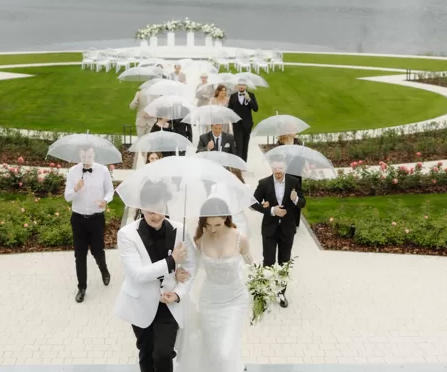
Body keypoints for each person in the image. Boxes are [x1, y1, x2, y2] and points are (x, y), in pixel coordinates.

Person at [115, 181, 196, 372]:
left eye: (159, 209)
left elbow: (191, 265)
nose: (156, 215)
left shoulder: (181, 230)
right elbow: (138, 274)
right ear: (141, 208)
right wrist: (172, 262)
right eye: (150, 210)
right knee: (146, 351)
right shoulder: (126, 234)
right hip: (140, 303)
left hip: (169, 303)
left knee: (163, 353)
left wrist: (178, 293)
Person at [175, 197, 253, 372]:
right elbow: (192, 266)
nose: (212, 229)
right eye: (208, 225)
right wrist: (179, 271)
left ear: (225, 218)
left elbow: (250, 264)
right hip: (209, 301)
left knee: (226, 349)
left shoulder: (240, 239)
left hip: (235, 300)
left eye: (217, 225)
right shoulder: (200, 239)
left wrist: (264, 281)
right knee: (213, 347)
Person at [250, 159, 306, 308]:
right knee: (268, 261)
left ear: (285, 169)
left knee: (284, 262)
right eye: (275, 169)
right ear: (272, 169)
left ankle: (281, 293)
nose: (278, 171)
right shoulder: (264, 183)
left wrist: (295, 199)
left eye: (281, 168)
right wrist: (271, 210)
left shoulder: (294, 182)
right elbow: (253, 203)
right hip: (270, 229)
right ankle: (265, 292)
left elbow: (303, 203)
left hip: (287, 229)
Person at [64, 147, 113, 303]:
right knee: (80, 254)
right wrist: (76, 189)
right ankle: (82, 287)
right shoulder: (73, 171)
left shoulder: (103, 170)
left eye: (89, 155)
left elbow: (110, 191)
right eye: (84, 155)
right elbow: (67, 197)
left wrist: (105, 200)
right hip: (78, 219)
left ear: (94, 155)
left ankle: (104, 270)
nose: (86, 158)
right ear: (80, 155)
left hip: (96, 218)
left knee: (97, 251)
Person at [228, 80, 258, 162]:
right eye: (240, 85)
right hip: (237, 125)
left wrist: (249, 100)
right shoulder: (233, 96)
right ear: (237, 86)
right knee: (238, 146)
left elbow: (256, 108)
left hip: (247, 125)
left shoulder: (251, 95)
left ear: (246, 86)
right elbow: (229, 109)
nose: (241, 86)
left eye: (243, 85)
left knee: (245, 146)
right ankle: (239, 164)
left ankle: (244, 163)